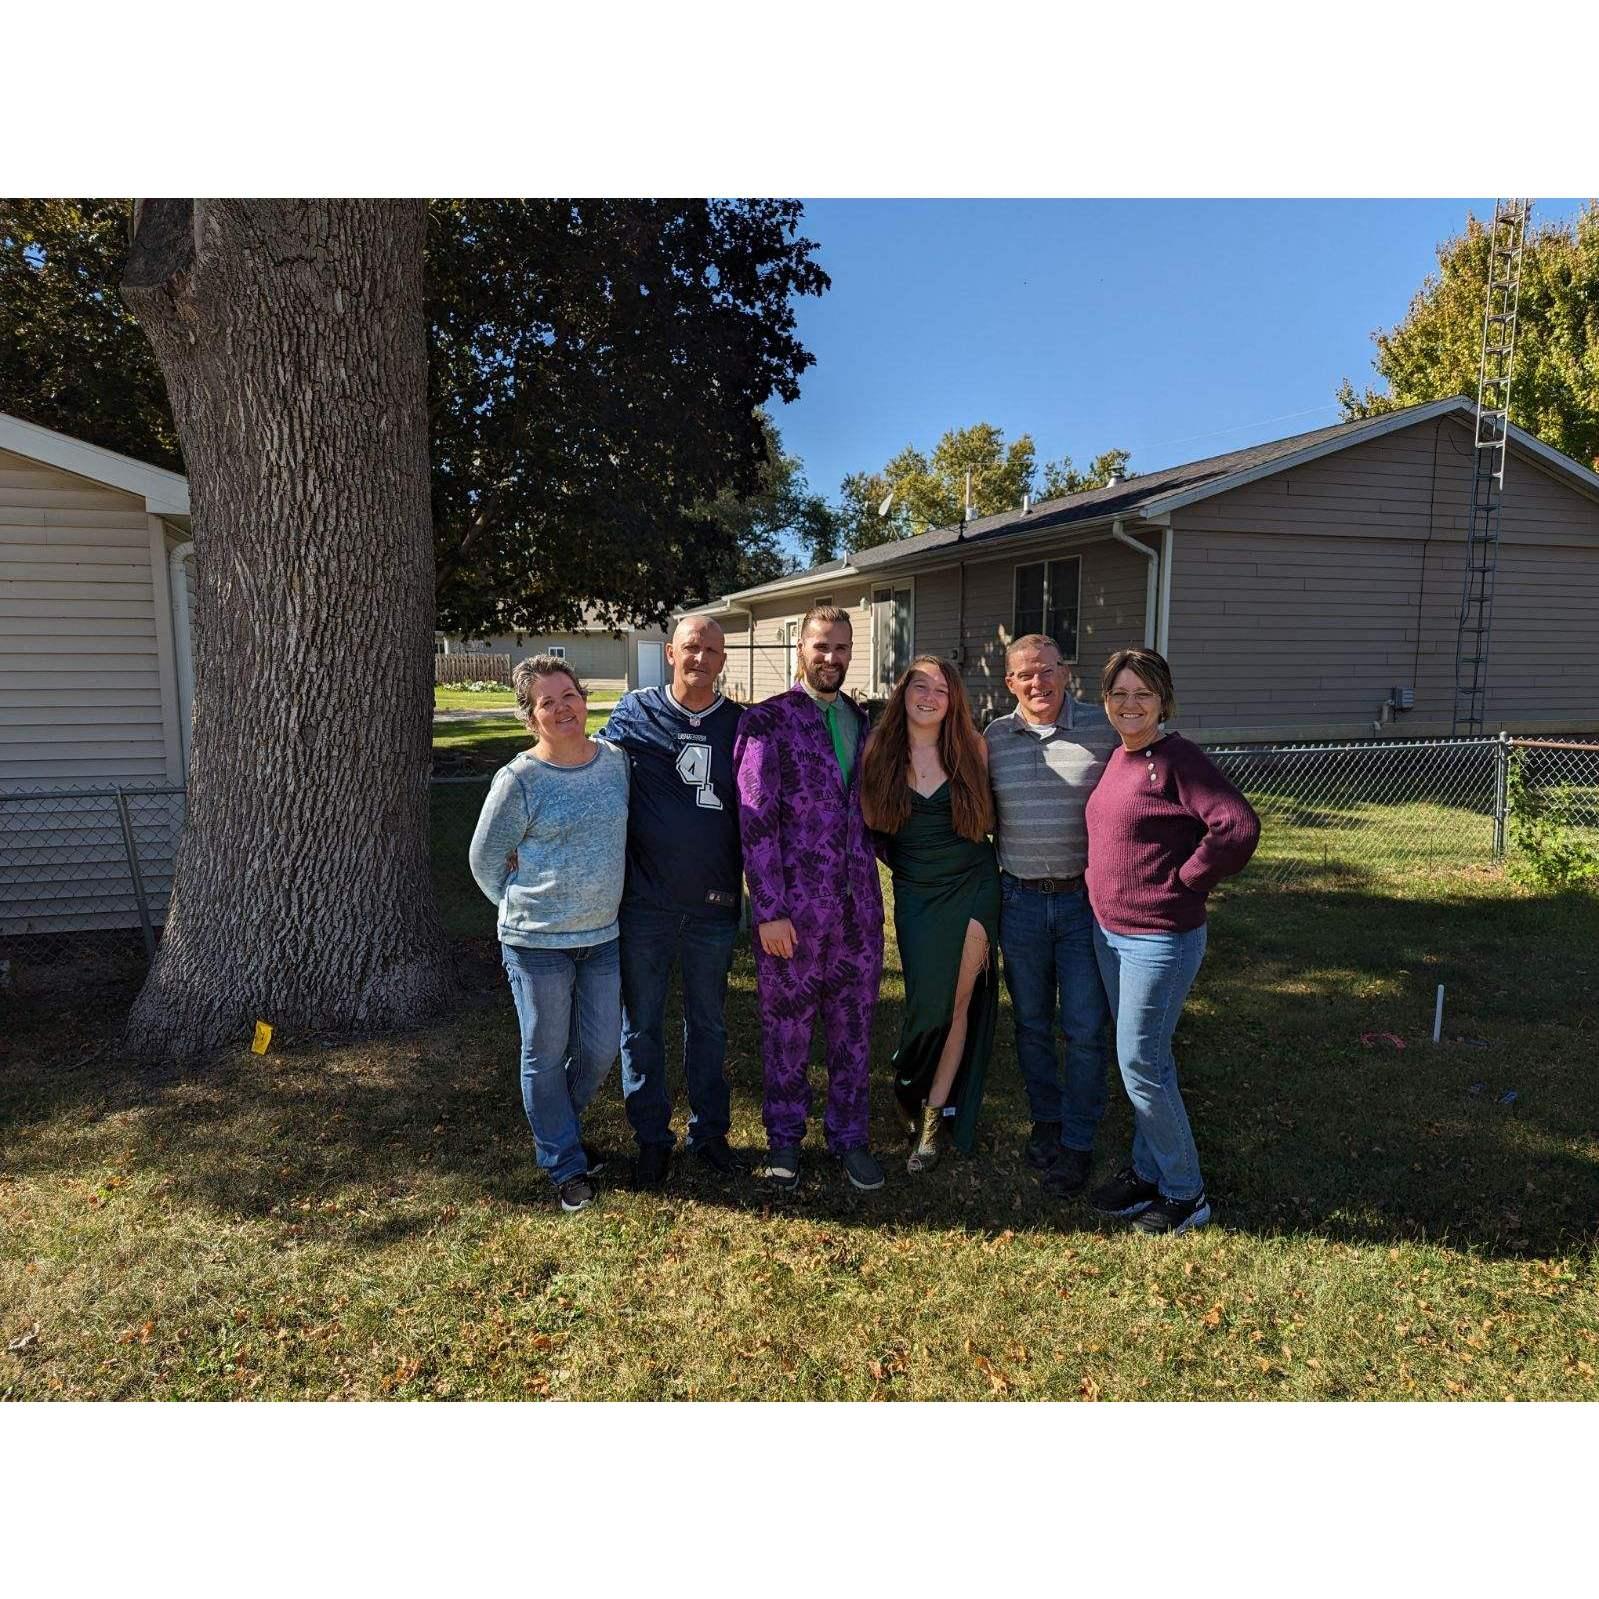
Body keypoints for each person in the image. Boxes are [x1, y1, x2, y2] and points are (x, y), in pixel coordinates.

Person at [1084, 647, 1260, 1235]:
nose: (1130, 705)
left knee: (1140, 1062)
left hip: (1159, 936)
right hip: (1111, 933)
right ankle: (1148, 1173)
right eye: (1119, 694)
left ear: (1163, 701)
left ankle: (1186, 1193)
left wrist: (1188, 879)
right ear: (1106, 700)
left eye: (1143, 694)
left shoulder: (1178, 758)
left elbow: (1236, 826)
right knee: (1146, 1060)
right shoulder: (1121, 757)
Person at [468, 654, 630, 1214]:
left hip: (603, 936)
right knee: (543, 1052)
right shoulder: (518, 780)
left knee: (602, 1049)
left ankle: (556, 1122)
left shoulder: (615, 763)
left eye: (569, 696)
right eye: (547, 702)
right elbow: (485, 860)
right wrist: (519, 909)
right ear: (530, 717)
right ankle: (564, 1162)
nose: (562, 709)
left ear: (584, 700)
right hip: (536, 945)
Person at [734, 604, 886, 1193]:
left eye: (843, 648)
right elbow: (755, 822)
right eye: (822, 646)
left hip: (858, 912)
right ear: (801, 647)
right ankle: (784, 1141)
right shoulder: (767, 721)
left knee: (854, 1029)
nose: (832, 658)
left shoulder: (862, 721)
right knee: (787, 1029)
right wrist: (767, 910)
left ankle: (850, 1138)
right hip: (791, 912)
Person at [596, 615, 745, 1189]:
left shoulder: (740, 725)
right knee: (643, 1027)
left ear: (723, 658)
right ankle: (651, 1136)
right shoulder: (635, 712)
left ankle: (709, 1133)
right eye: (691, 647)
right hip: (647, 903)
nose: (700, 658)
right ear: (670, 653)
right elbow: (592, 775)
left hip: (714, 901)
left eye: (711, 649)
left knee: (708, 1024)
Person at [984, 633, 1120, 1196]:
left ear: (1065, 672)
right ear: (1009, 683)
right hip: (1017, 899)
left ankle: (1079, 1140)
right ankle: (1047, 1120)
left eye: (1046, 671)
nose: (1037, 683)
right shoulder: (993, 738)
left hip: (1083, 901)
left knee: (1085, 1028)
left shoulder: (1104, 729)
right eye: (1024, 675)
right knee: (1032, 1022)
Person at [860, 655, 1000, 1174]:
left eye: (942, 688)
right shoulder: (879, 748)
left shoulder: (973, 748)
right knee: (926, 1004)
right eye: (920, 684)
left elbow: (990, 815)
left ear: (953, 698)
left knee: (956, 1002)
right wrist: (910, 863)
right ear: (903, 692)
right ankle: (905, 1081)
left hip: (973, 883)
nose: (930, 695)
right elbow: (872, 823)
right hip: (917, 890)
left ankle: (935, 1115)